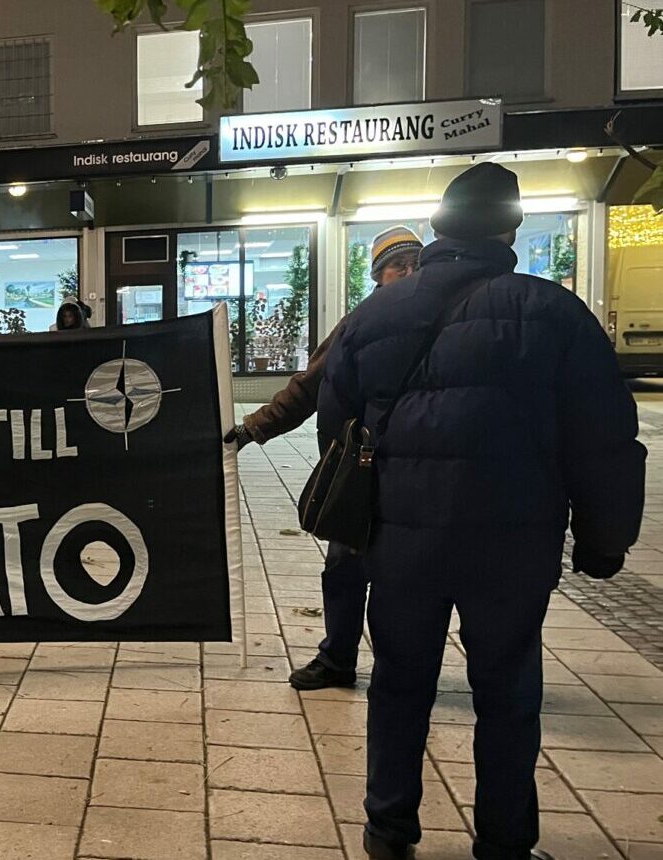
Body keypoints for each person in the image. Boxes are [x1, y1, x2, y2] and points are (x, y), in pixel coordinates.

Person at [318, 163, 645, 860]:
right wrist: (603, 540)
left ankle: (388, 829)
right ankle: (503, 841)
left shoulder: (373, 316)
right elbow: (605, 437)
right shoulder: (552, 312)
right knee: (507, 690)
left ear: (439, 228)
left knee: (399, 684)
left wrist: (365, 522)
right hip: (512, 545)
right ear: (509, 228)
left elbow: (336, 430)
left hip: (401, 546)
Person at [224, 226, 423, 692]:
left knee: (405, 576)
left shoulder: (439, 323)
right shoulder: (363, 322)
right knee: (344, 567)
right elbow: (309, 386)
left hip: (415, 471)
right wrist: (254, 427)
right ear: (378, 275)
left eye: (416, 263)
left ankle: (401, 670)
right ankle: (338, 658)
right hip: (357, 472)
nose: (409, 272)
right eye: (398, 265)